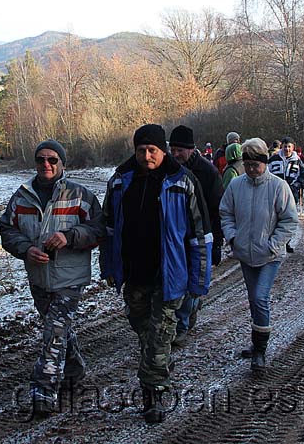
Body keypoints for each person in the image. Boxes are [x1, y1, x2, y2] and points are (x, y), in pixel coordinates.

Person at [100, 124, 211, 424]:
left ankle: (154, 394)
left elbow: (199, 235)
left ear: (162, 150)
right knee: (144, 329)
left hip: (169, 274)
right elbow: (108, 230)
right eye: (141, 150)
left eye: (152, 150)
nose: (146, 156)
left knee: (160, 334)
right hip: (135, 273)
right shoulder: (120, 182)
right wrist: (109, 266)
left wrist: (199, 278)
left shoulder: (182, 182)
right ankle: (157, 363)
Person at [0, 140, 105, 415]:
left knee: (53, 332)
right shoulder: (22, 196)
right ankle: (74, 368)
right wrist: (26, 249)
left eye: (52, 160)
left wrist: (69, 237)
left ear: (62, 164)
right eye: (41, 160)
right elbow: (7, 230)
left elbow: (99, 228)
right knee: (57, 329)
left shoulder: (80, 195)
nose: (46, 164)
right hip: (38, 277)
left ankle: (42, 392)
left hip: (70, 278)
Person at [219, 138, 298, 371]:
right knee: (253, 298)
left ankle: (260, 351)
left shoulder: (278, 186)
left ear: (264, 163)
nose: (252, 170)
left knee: (260, 297)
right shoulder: (236, 185)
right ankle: (256, 344)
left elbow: (289, 220)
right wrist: (233, 238)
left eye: (256, 165)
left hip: (270, 255)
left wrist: (274, 245)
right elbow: (226, 212)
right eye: (248, 165)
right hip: (245, 253)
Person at [168, 125, 222, 345]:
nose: (176, 154)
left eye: (180, 150)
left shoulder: (207, 172)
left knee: (192, 283)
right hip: (176, 237)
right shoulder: (168, 171)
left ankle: (182, 324)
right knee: (180, 283)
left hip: (200, 237)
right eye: (173, 149)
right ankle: (184, 316)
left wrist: (216, 243)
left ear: (191, 149)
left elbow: (218, 209)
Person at [267, 136, 304, 252]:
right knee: (274, 216)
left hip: (291, 192)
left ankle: (286, 242)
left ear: (293, 147)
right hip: (275, 192)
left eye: (289, 147)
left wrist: (297, 185)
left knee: (288, 218)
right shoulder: (274, 159)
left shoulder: (298, 160)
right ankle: (275, 241)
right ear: (281, 147)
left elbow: (303, 175)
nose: (287, 149)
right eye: (285, 147)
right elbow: (267, 173)